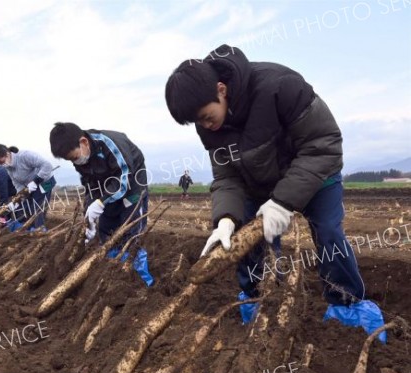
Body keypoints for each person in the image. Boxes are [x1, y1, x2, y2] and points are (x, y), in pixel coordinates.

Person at [165, 44, 386, 341]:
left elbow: (324, 144)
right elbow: (227, 174)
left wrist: (283, 202)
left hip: (316, 172)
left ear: (221, 90)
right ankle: (260, 300)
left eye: (206, 116)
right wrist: (226, 218)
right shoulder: (210, 126)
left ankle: (348, 308)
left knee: (328, 232)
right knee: (244, 237)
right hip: (259, 183)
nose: (205, 125)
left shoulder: (280, 86)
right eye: (198, 122)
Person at [49, 122, 154, 286]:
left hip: (132, 183)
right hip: (106, 187)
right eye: (71, 161)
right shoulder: (81, 160)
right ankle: (112, 276)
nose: (76, 163)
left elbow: (123, 179)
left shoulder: (111, 144)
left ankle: (140, 283)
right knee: (106, 229)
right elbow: (90, 186)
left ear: (84, 142)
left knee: (132, 233)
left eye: (75, 158)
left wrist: (101, 201)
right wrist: (88, 216)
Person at [0, 144, 56, 231]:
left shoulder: (24, 156)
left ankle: (40, 230)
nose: (2, 165)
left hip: (46, 181)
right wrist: (18, 199)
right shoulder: (9, 168)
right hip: (31, 186)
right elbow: (17, 184)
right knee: (25, 206)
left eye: (2, 162)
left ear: (7, 154)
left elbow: (47, 165)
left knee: (37, 206)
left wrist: (36, 181)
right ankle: (27, 228)